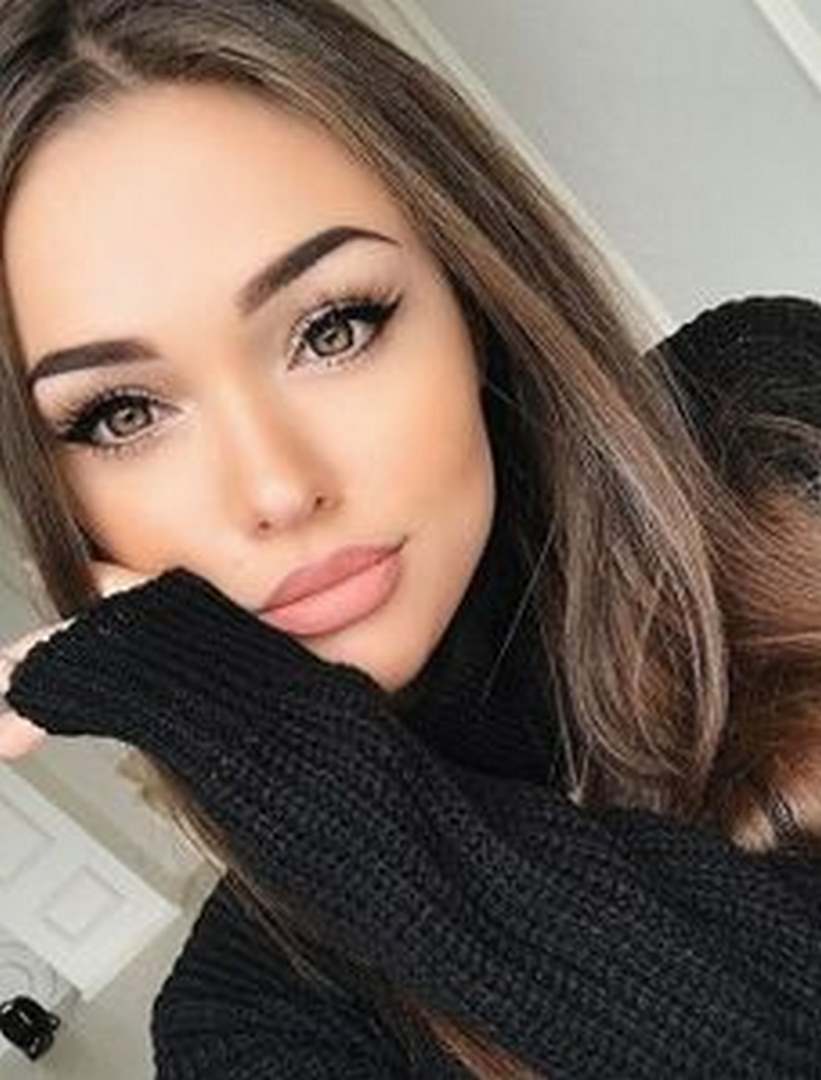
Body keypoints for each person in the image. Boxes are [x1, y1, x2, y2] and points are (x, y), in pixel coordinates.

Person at [1, 1, 821, 1076]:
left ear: (468, 297)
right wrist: (256, 733)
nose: (276, 486)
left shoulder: (766, 422)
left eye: (332, 327)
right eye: (122, 415)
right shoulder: (253, 1027)